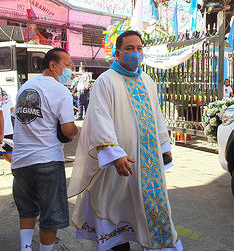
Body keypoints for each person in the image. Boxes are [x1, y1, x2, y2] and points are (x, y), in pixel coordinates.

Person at [68, 30, 182, 251]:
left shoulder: (147, 80)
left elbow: (157, 115)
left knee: (154, 210)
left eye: (139, 48)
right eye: (129, 49)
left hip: (147, 166)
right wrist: (114, 153)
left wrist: (164, 146)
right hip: (117, 167)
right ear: (118, 54)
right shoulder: (106, 80)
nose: (135, 53)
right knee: (117, 217)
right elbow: (100, 117)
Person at [11, 48, 79, 251]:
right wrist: (77, 131)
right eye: (67, 65)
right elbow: (67, 130)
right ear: (53, 65)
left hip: (20, 161)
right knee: (51, 214)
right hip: (47, 160)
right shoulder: (60, 91)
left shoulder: (25, 87)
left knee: (28, 210)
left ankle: (25, 248)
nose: (70, 70)